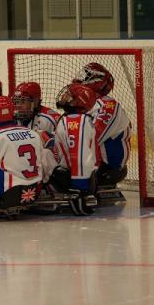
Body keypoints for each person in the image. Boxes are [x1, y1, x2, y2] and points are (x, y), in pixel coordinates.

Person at [73, 63, 131, 186]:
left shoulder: (108, 105)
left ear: (97, 81)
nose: (79, 79)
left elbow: (93, 137)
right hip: (92, 162)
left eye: (86, 76)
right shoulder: (86, 103)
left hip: (107, 168)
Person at [51, 83, 99, 215]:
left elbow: (80, 155)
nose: (64, 96)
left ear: (78, 101)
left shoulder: (76, 121)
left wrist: (79, 190)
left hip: (75, 181)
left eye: (69, 95)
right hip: (81, 178)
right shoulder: (77, 119)